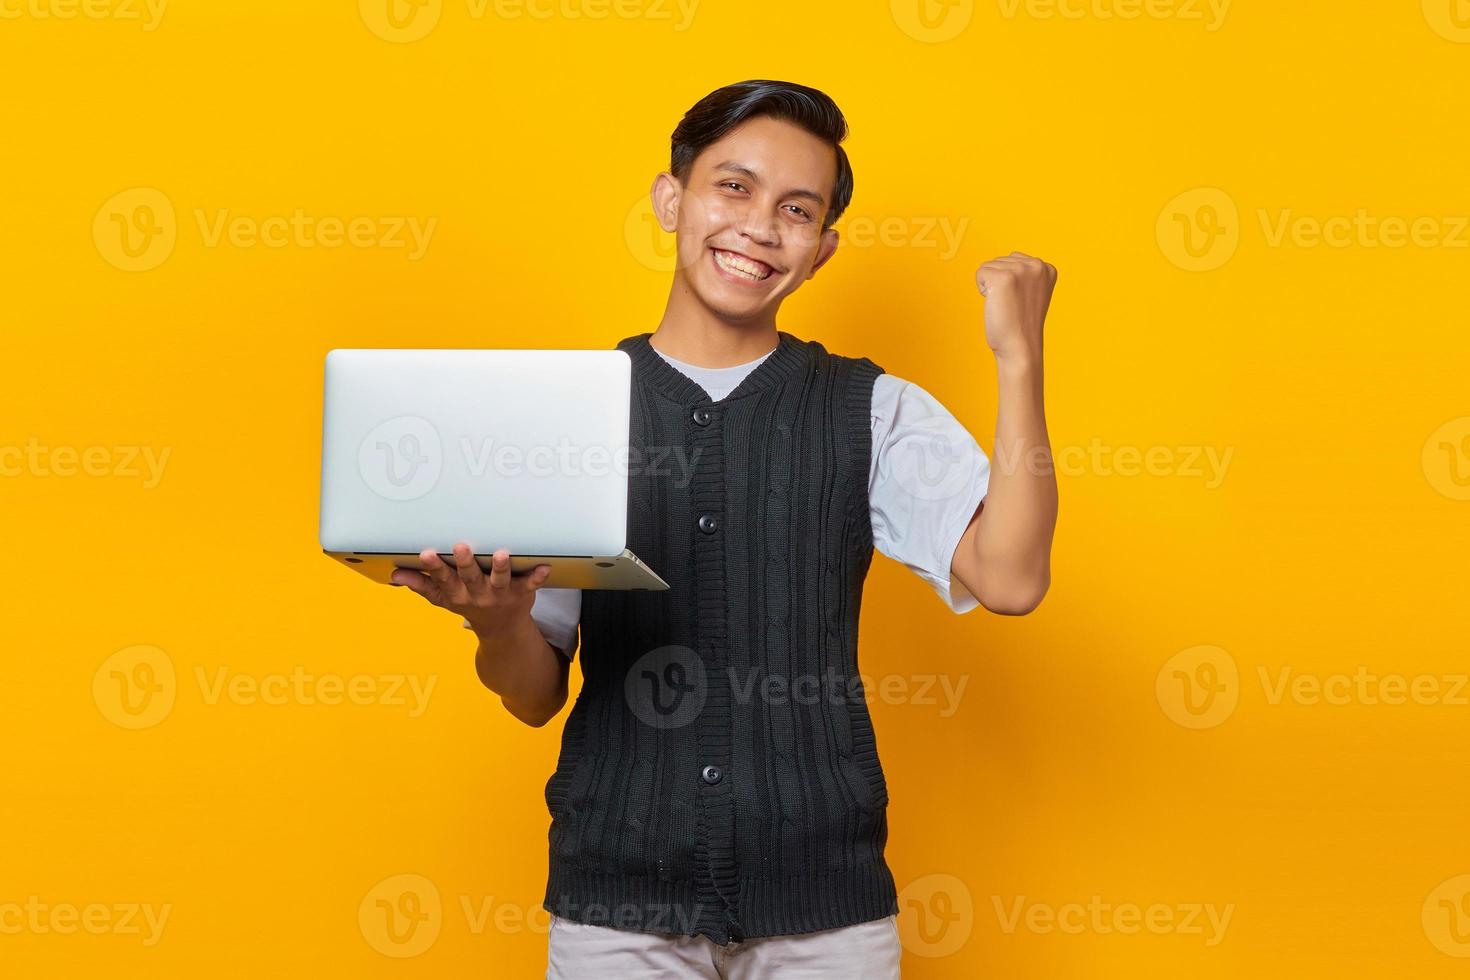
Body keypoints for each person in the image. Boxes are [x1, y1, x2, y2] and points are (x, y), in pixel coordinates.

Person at [390, 79, 1059, 979]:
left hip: (825, 909)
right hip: (616, 905)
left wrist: (1019, 361)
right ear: (673, 199)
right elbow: (534, 694)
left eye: (796, 208)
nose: (758, 226)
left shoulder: (872, 408)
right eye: (732, 188)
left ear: (821, 250)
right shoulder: (570, 413)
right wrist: (498, 621)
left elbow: (1011, 579)